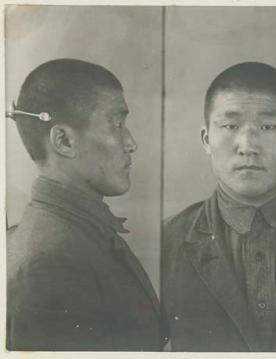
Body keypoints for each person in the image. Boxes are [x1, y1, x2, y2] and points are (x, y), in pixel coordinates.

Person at [161, 62, 276, 352]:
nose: (248, 145)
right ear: (206, 139)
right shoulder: (166, 241)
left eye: (268, 126)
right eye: (230, 126)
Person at [7, 59, 163, 351]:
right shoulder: (54, 263)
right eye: (116, 124)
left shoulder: (77, 232)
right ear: (64, 141)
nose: (131, 143)